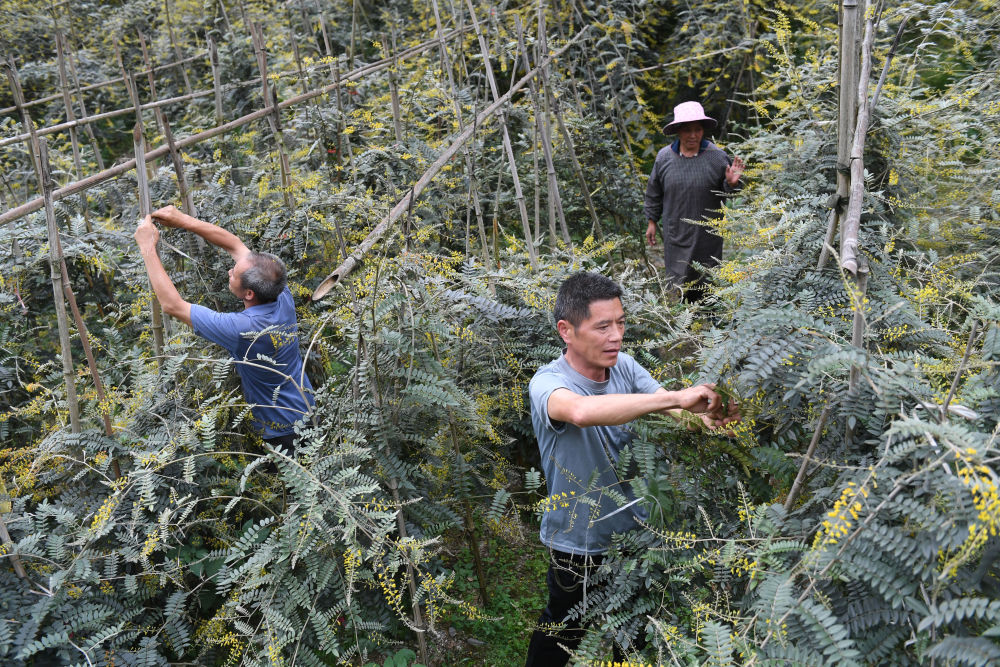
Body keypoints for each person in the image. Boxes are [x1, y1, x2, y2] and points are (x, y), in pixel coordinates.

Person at [524, 272, 738, 666]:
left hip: (638, 537)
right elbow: (582, 412)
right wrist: (676, 397)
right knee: (562, 629)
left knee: (636, 632)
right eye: (603, 326)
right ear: (566, 331)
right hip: (578, 543)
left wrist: (709, 415)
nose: (616, 336)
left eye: (620, 323)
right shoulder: (548, 383)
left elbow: (673, 413)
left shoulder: (624, 367)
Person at [134, 205, 314, 451]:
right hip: (307, 405)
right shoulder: (280, 292)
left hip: (282, 432)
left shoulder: (243, 329)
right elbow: (235, 245)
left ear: (249, 293)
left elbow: (172, 305)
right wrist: (182, 219)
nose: (230, 270)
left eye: (233, 275)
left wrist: (147, 247)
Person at [645, 101, 745, 303]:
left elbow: (728, 193)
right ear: (678, 131)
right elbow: (654, 191)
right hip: (676, 233)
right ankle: (681, 323)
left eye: (697, 129)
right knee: (678, 281)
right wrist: (652, 221)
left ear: (703, 130)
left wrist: (732, 184)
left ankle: (708, 322)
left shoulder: (716, 157)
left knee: (706, 280)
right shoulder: (664, 158)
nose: (693, 135)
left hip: (707, 233)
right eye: (687, 130)